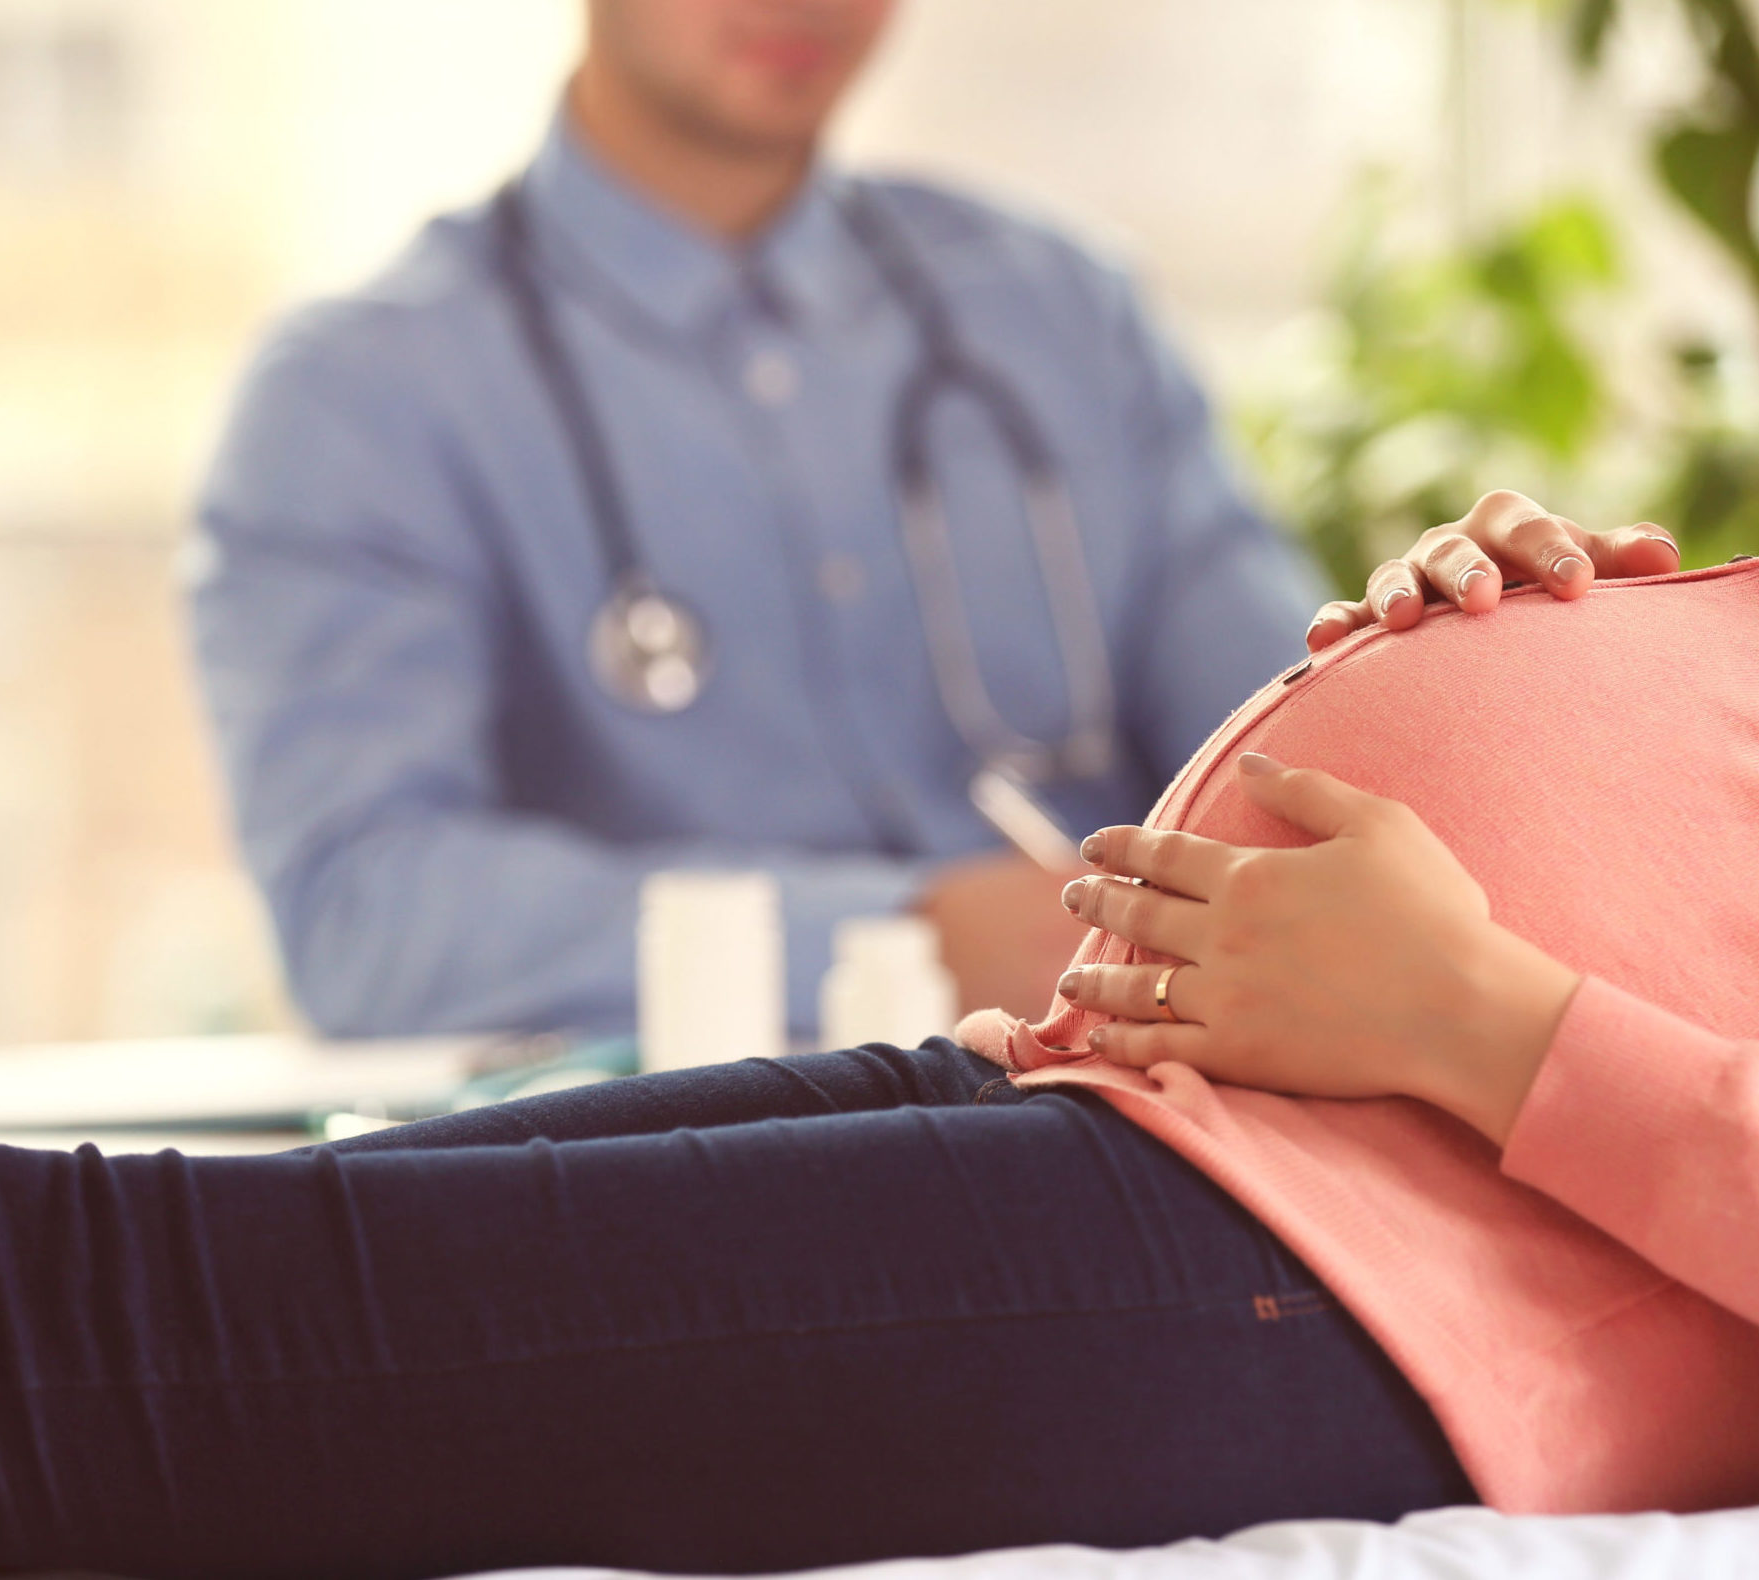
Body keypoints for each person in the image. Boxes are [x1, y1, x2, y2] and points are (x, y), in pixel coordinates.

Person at [0, 0, 1759, 1573]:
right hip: (1160, 1104)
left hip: (1357, 1255)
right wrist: (1557, 609)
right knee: (96, 1275)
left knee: (112, 1342)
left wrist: (1479, 1012)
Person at [190, 0, 1334, 1036]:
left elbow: (1311, 764)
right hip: (683, 1191)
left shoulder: (1067, 314)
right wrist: (907, 931)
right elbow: (364, 911)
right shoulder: (360, 397)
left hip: (1141, 1128)